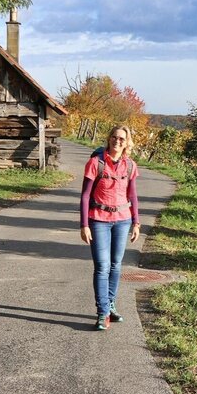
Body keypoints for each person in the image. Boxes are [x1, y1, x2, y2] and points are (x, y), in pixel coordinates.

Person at [79, 125, 141, 330]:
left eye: (122, 139)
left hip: (122, 220)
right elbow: (85, 195)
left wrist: (136, 222)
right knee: (102, 266)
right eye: (114, 137)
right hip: (99, 220)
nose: (117, 141)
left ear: (127, 142)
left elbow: (132, 195)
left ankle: (111, 304)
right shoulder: (95, 163)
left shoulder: (130, 165)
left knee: (116, 265)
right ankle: (102, 312)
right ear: (109, 139)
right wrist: (84, 225)